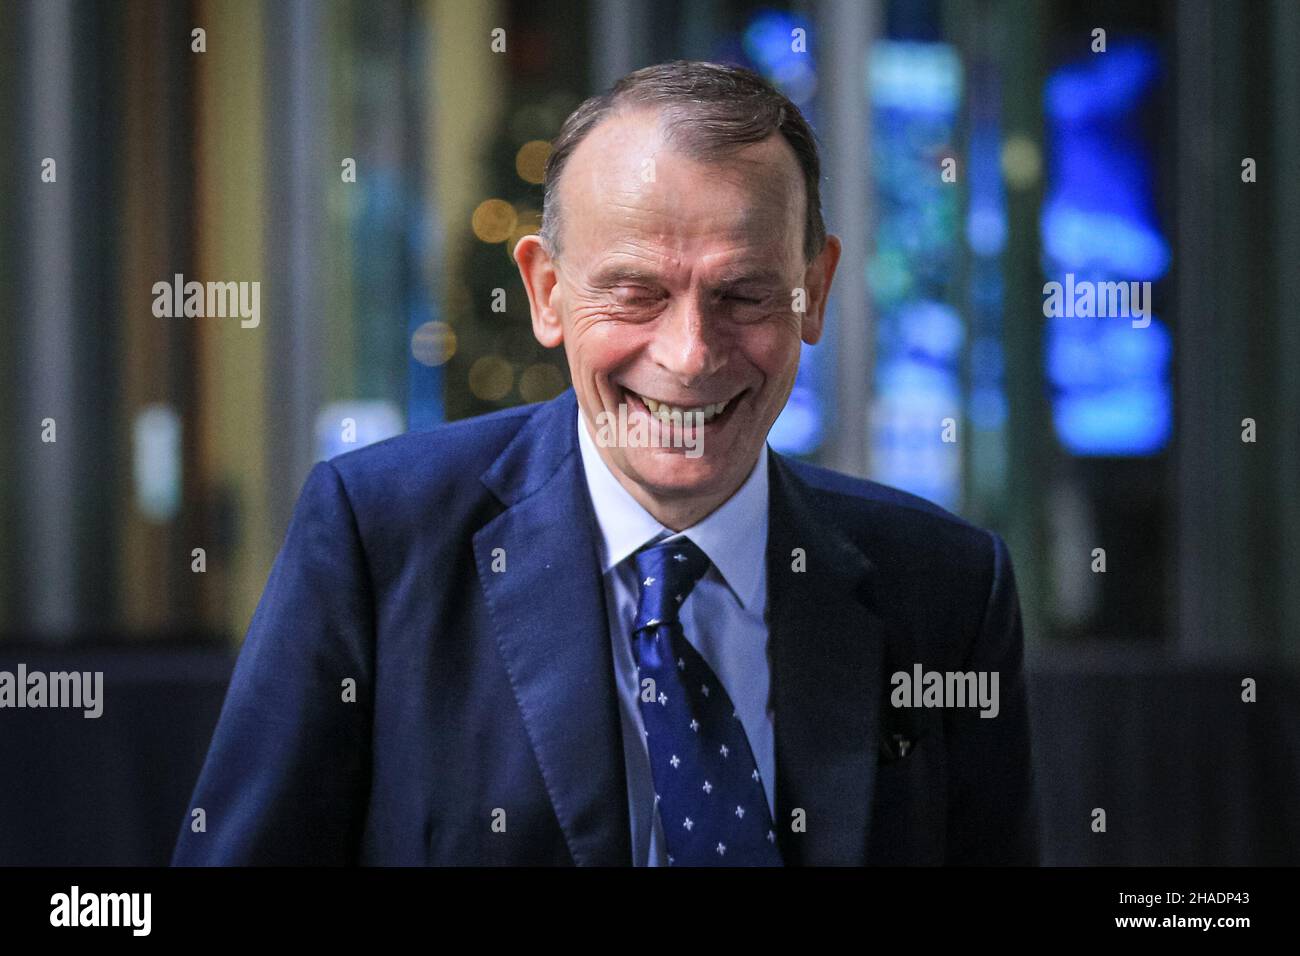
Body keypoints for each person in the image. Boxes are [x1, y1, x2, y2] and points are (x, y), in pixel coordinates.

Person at [172, 60, 1039, 866]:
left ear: (814, 290)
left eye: (743, 294)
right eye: (635, 293)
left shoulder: (948, 588)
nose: (691, 354)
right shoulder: (381, 539)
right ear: (547, 292)